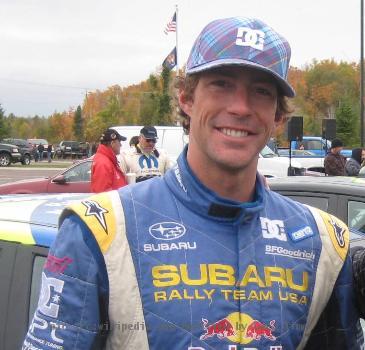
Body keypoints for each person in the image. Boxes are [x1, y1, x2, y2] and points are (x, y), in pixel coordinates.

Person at [23, 17, 363, 350]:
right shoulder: (99, 230)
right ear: (187, 98)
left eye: (261, 91)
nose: (241, 107)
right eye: (221, 84)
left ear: (278, 116)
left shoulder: (325, 243)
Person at [90, 128, 127, 193]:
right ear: (112, 143)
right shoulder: (103, 163)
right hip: (112, 202)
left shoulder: (108, 160)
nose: (121, 145)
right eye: (119, 142)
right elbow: (102, 195)